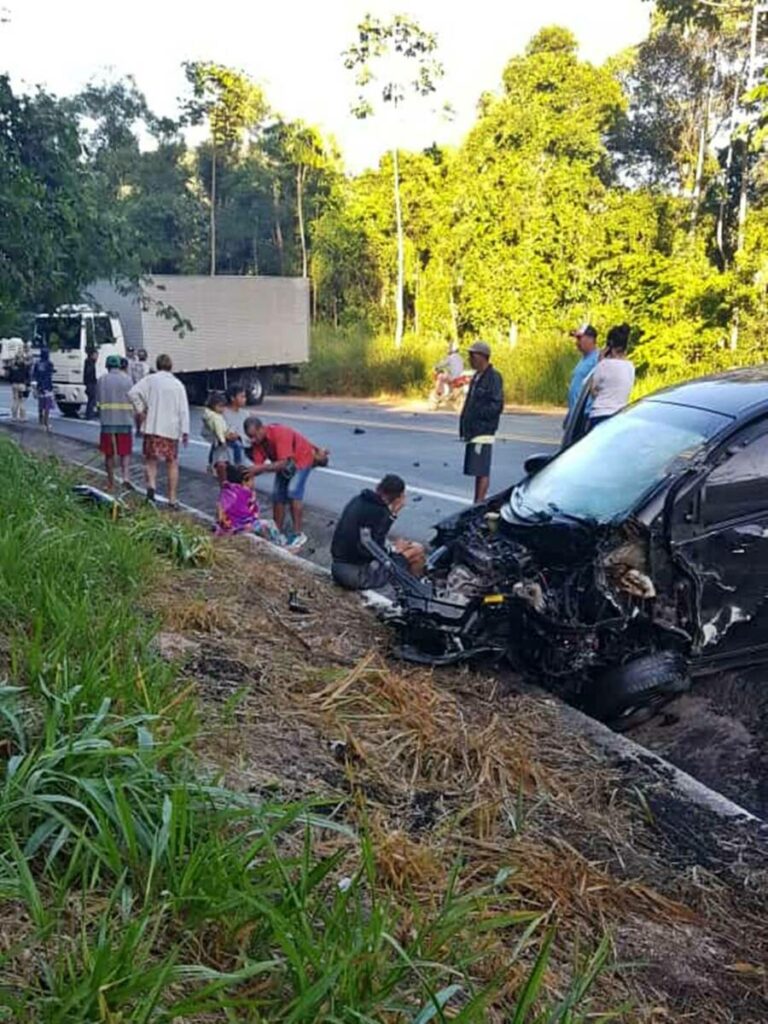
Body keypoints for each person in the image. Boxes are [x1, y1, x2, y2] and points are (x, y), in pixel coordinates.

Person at [243, 417, 327, 549]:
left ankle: (298, 534)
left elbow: (282, 463)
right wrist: (247, 476)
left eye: (254, 436)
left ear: (261, 429)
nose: (253, 440)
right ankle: (277, 531)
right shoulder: (258, 443)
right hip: (285, 464)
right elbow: (258, 466)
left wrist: (260, 469)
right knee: (277, 494)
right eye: (250, 437)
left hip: (301, 458)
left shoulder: (279, 433)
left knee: (293, 491)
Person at [331, 474, 425, 590]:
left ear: (378, 487)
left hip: (339, 565)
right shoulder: (379, 511)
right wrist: (395, 549)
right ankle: (415, 590)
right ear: (398, 499)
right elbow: (372, 550)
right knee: (416, 551)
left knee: (409, 550)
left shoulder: (359, 500)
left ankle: (409, 586)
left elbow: (371, 539)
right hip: (355, 574)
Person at [128, 353, 190, 509]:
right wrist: (185, 430)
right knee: (172, 463)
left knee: (151, 461)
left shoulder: (150, 380)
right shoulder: (178, 384)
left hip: (153, 427)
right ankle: (172, 498)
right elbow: (183, 410)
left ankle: (151, 488)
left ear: (157, 365)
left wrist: (141, 409)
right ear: (171, 366)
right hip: (171, 430)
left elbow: (133, 392)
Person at [459, 340, 504, 504]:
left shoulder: (493, 377)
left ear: (483, 357)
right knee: (475, 467)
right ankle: (477, 500)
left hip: (484, 430)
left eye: (473, 355)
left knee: (481, 468)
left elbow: (497, 405)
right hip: (474, 429)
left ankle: (479, 502)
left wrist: (480, 416)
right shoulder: (476, 377)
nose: (470, 359)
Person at [214, 464, 284, 542]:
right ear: (245, 481)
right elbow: (253, 513)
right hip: (242, 526)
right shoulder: (247, 493)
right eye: (252, 480)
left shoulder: (226, 489)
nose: (253, 483)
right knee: (269, 524)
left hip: (225, 526)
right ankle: (278, 542)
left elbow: (221, 467)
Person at [97, 354, 134, 491]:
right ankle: (126, 478)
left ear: (107, 366)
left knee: (109, 453)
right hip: (125, 420)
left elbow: (98, 399)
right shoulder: (128, 380)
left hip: (107, 420)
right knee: (125, 452)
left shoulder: (102, 380)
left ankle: (111, 482)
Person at [588, 323, 635, 430]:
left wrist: (599, 361)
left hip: (600, 414)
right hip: (619, 415)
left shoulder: (603, 365)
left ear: (609, 346)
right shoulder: (631, 367)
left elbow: (592, 391)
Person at [567, 324, 599, 413]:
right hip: (576, 411)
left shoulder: (597, 358)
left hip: (586, 411)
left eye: (579, 338)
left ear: (590, 339)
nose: (577, 342)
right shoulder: (584, 359)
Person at [202, 390, 230, 483]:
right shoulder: (215, 417)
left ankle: (211, 465)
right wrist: (222, 441)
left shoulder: (210, 414)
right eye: (221, 407)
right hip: (218, 436)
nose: (223, 409)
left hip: (214, 436)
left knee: (214, 449)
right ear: (214, 406)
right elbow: (218, 430)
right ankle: (214, 466)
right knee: (217, 452)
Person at [222, 384, 247, 465]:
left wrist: (239, 436)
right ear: (232, 398)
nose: (244, 399)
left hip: (242, 446)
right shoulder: (223, 413)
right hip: (226, 447)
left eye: (244, 397)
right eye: (242, 397)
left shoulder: (245, 414)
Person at [32, 347, 55, 433]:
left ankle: (40, 422)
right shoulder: (49, 364)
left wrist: (35, 386)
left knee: (41, 406)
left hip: (39, 387)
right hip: (48, 387)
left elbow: (34, 375)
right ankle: (46, 423)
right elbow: (50, 374)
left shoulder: (37, 364)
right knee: (47, 406)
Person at [131, 349, 150, 434]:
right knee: (144, 410)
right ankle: (143, 428)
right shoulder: (146, 366)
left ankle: (138, 428)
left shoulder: (133, 365)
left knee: (137, 410)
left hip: (135, 388)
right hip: (144, 390)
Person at [9, 354, 30, 421]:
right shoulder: (24, 366)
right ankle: (22, 417)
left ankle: (14, 417)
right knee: (21, 401)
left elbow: (9, 376)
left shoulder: (13, 367)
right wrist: (28, 385)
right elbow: (27, 376)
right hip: (21, 385)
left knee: (15, 401)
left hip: (14, 384)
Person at [84, 347, 99, 420]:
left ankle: (90, 413)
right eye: (96, 355)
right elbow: (89, 373)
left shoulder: (90, 362)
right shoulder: (90, 362)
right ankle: (89, 414)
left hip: (90, 383)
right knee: (92, 399)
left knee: (92, 399)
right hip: (91, 383)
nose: (97, 357)